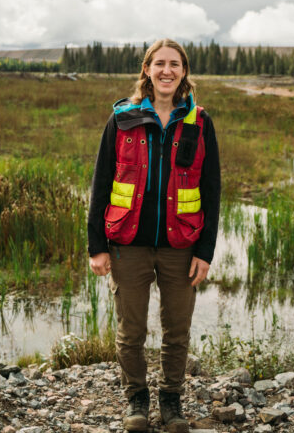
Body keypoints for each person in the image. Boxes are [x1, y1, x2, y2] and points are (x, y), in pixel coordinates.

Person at [87, 39, 221, 433]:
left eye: (174, 64)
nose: (167, 71)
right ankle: (136, 400)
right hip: (127, 244)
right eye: (159, 63)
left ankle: (172, 401)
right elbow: (101, 182)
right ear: (147, 69)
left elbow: (211, 190)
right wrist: (97, 246)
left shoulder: (199, 122)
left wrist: (206, 250)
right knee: (131, 331)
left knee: (176, 330)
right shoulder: (123, 119)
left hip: (182, 245)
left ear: (184, 71)